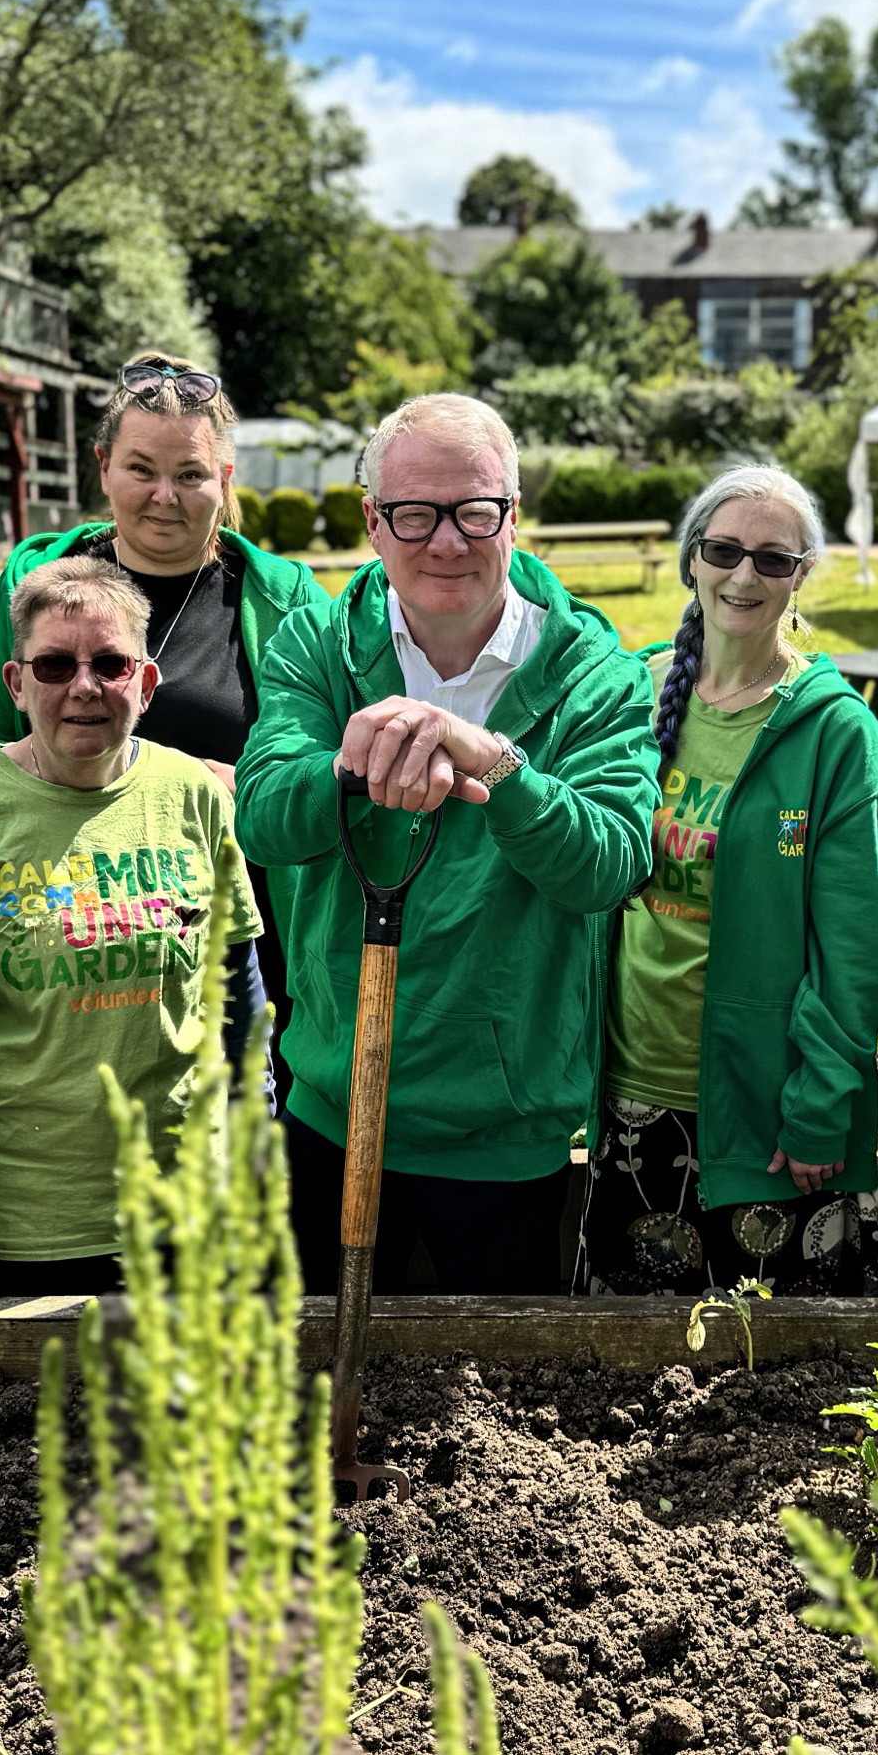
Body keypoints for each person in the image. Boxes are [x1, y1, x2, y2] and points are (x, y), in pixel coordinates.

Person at [235, 392, 658, 1295]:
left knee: (486, 1407)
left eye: (476, 511)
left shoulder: (592, 669)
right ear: (372, 523)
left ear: (513, 514)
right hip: (334, 1106)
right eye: (414, 514)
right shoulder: (317, 643)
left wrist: (499, 768)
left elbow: (608, 866)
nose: (447, 542)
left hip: (500, 1131)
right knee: (309, 1390)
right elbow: (264, 818)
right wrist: (347, 768)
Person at [0, 351, 324, 1066]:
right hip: (60, 955)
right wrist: (60, 786)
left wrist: (242, 786)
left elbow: (321, 765)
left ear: (224, 480)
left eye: (191, 474)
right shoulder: (31, 586)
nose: (164, 495)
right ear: (104, 467)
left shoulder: (286, 602)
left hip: (243, 952)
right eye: (141, 469)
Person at [577, 467, 878, 1298]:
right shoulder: (634, 694)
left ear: (802, 576)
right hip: (629, 1092)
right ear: (692, 561)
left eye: (772, 560)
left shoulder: (833, 731)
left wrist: (823, 1100)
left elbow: (859, 944)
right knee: (636, 1382)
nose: (744, 576)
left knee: (776, 1386)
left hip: (766, 1109)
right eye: (723, 551)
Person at [0, 558, 267, 1297]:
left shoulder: (193, 796)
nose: (83, 686)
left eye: (108, 664)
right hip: (21, 1222)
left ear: (144, 684)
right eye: (53, 665)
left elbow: (237, 992)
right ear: (16, 685)